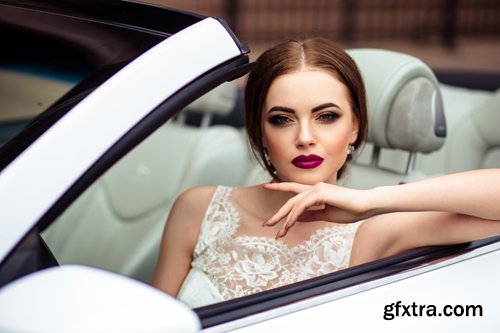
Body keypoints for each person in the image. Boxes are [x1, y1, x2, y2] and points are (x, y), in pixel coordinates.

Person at [152, 37, 500, 308]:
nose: (305, 138)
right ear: (259, 131)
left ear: (354, 129)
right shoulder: (198, 209)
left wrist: (368, 201)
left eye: (327, 116)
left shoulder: (372, 233)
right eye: (282, 119)